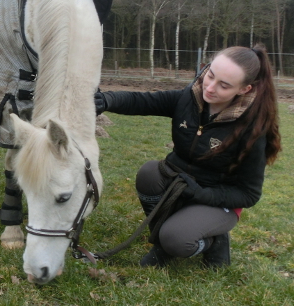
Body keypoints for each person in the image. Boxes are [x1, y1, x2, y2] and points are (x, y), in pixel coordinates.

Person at [94, 45, 281, 268]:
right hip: (181, 184)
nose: (210, 87)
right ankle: (163, 240)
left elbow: (249, 194)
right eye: (210, 75)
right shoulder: (189, 97)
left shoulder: (252, 130)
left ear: (244, 89)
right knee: (149, 173)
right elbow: (143, 101)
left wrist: (202, 194)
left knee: (177, 240)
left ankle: (212, 242)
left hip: (218, 201)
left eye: (224, 85)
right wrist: (107, 100)